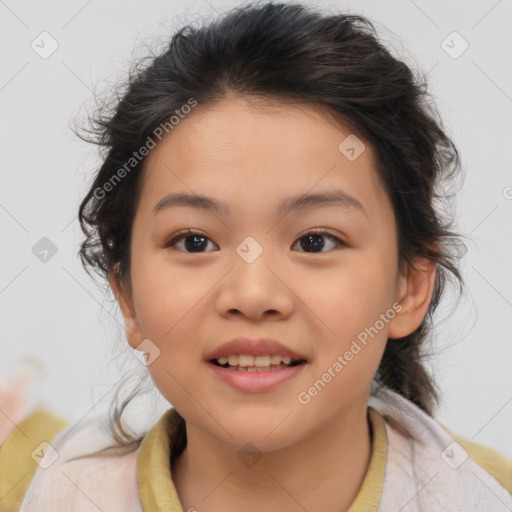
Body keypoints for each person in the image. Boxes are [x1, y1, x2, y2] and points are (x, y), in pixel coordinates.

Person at [1, 2, 511, 511]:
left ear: (409, 286)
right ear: (128, 296)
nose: (253, 295)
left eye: (316, 241)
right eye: (194, 241)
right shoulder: (44, 490)